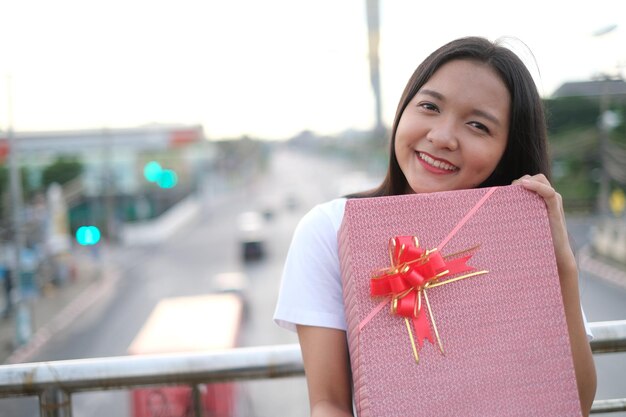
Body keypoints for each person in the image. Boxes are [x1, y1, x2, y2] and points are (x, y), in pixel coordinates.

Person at [273, 36, 597, 416]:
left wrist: (562, 268)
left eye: (478, 125)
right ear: (403, 109)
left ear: (507, 148)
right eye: (429, 106)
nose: (442, 137)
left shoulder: (520, 235)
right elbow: (329, 403)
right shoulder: (329, 229)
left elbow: (577, 401)